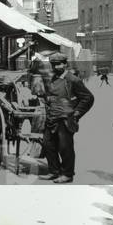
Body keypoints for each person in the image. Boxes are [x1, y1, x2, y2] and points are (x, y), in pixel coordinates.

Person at [40, 51, 94, 184]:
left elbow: (88, 98)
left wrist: (76, 113)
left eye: (59, 64)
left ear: (65, 64)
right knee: (48, 145)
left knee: (65, 148)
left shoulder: (72, 79)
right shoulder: (52, 78)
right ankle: (54, 171)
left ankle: (67, 174)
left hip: (65, 118)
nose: (56, 67)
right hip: (52, 117)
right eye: (54, 64)